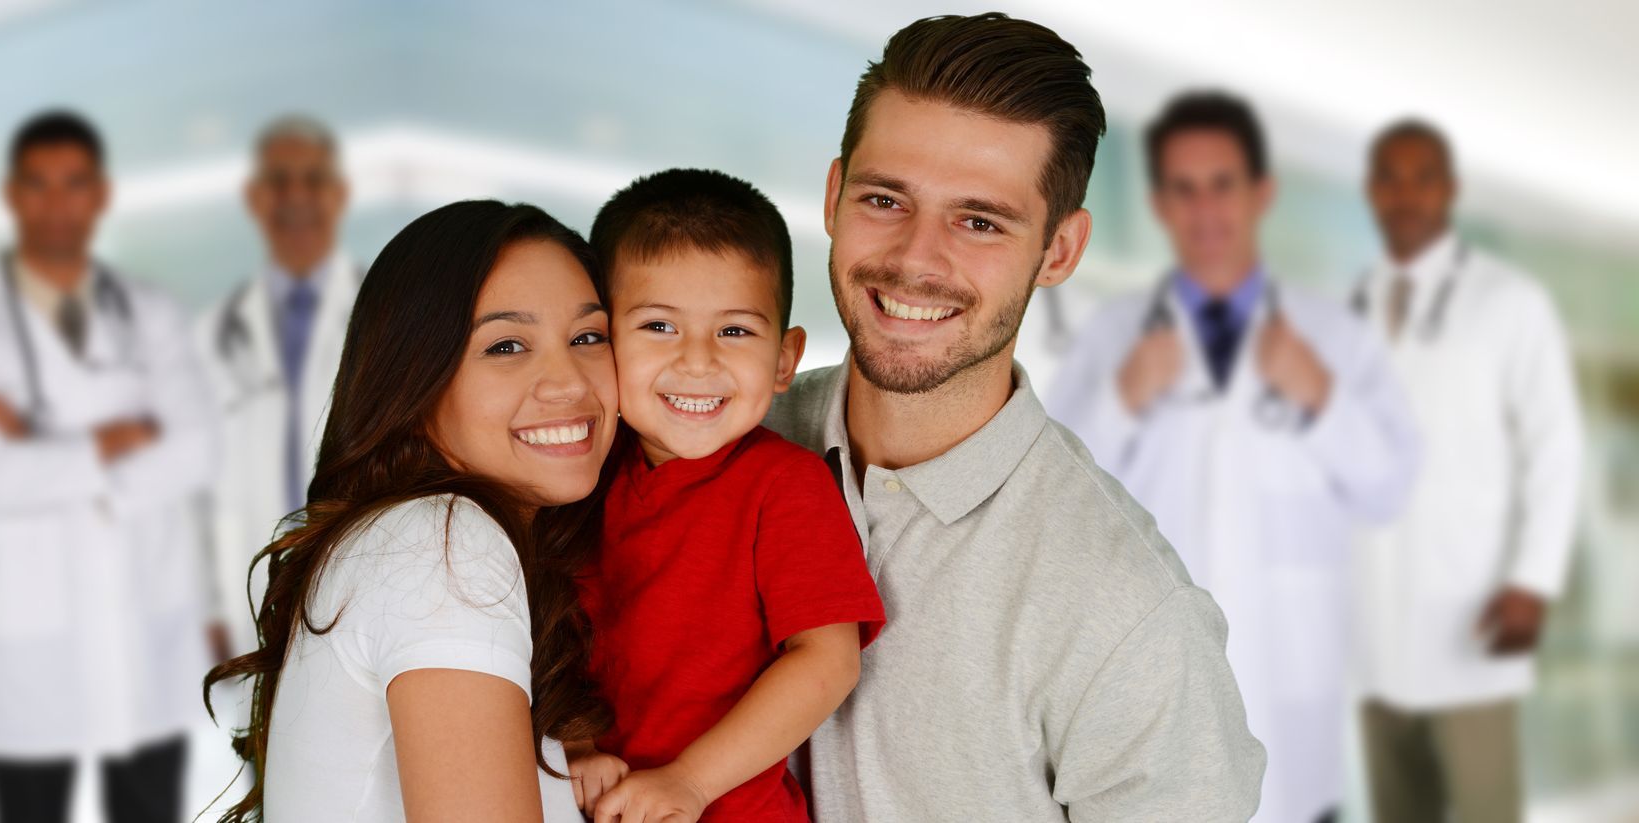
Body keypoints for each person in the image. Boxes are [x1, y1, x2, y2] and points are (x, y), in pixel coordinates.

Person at [762, 14, 1265, 820]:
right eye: (886, 198)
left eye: (979, 221)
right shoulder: (712, 440)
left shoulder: (1128, 617)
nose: (916, 258)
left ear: (1060, 252)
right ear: (833, 195)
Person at [1045, 92, 1419, 823]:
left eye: (1222, 184)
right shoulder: (1115, 337)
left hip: (1292, 670)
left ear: (1261, 193)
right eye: (1183, 189)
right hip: (1151, 670)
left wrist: (1321, 396)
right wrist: (1123, 397)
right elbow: (1053, 487)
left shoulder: (1334, 338)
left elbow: (1392, 488)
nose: (1204, 209)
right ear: (1159, 204)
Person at [203, 200, 620, 822]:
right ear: (414, 378)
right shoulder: (443, 540)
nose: (569, 383)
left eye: (588, 337)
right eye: (506, 346)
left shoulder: (404, 539)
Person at [0, 110, 218, 823]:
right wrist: (123, 436)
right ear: (12, 195)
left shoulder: (152, 313)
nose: (57, 205)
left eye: (75, 184)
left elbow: (198, 448)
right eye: (38, 185)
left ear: (102, 195)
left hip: (146, 631)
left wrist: (43, 443)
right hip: (31, 648)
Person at [566, 168, 885, 823]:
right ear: (600, 342)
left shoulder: (784, 485)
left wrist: (689, 780)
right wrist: (571, 741)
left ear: (783, 360)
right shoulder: (576, 479)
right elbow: (548, 633)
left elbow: (827, 662)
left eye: (734, 331)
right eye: (659, 326)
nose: (698, 361)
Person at [1353, 119, 1584, 823]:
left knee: (1486, 810)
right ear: (1372, 191)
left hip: (1473, 616)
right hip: (1376, 625)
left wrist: (1532, 581)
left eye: (1424, 177)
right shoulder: (1357, 301)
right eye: (1390, 177)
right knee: (1399, 811)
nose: (1407, 194)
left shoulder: (1510, 302)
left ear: (1450, 190)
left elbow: (1556, 446)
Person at [197, 114, 362, 658]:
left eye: (313, 181)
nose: (297, 197)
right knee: (261, 739)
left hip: (359, 585)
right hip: (248, 593)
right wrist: (208, 605)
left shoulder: (380, 313)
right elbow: (189, 486)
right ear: (254, 197)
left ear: (339, 195)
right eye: (278, 181)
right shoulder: (212, 333)